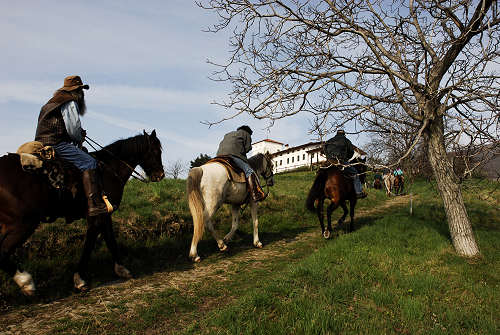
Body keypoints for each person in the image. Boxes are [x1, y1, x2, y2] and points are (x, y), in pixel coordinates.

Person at [35, 75, 108, 216]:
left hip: (40, 142)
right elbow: (73, 128)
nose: (82, 93)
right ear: (76, 91)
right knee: (89, 162)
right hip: (56, 143)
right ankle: (94, 205)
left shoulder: (50, 103)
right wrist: (80, 136)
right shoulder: (69, 102)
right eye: (81, 90)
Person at [216, 125, 265, 202]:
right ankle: (255, 194)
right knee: (249, 171)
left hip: (219, 156)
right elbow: (248, 148)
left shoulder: (228, 134)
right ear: (249, 132)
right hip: (233, 156)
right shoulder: (247, 134)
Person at [323, 129, 367, 198]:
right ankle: (358, 192)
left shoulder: (329, 140)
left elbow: (324, 149)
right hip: (340, 161)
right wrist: (347, 158)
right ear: (344, 134)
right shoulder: (346, 140)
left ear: (336, 134)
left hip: (329, 161)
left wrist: (328, 157)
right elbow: (351, 152)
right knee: (355, 173)